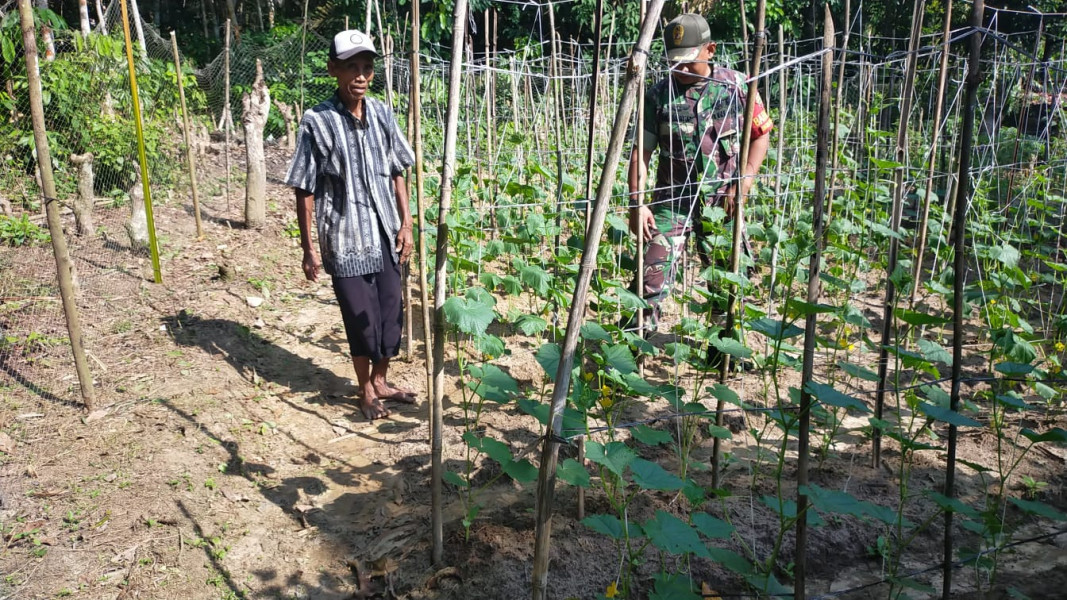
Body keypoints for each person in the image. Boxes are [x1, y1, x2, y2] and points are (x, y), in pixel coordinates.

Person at [285, 29, 417, 420]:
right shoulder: (317, 121)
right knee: (360, 318)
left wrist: (406, 224)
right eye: (350, 67)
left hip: (385, 232)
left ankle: (381, 380)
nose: (360, 75)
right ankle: (365, 391)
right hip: (344, 237)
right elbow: (304, 188)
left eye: (366, 68)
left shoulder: (381, 113)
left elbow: (397, 171)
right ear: (333, 70)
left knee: (391, 311)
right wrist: (308, 248)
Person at [627, 13, 773, 329]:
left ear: (710, 50)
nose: (680, 69)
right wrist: (637, 203)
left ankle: (724, 353)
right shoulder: (656, 96)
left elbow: (761, 137)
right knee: (649, 281)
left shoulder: (737, 87)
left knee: (728, 285)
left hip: (722, 204)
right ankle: (628, 354)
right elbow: (642, 154)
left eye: (688, 61)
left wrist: (744, 180)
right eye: (674, 61)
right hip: (672, 202)